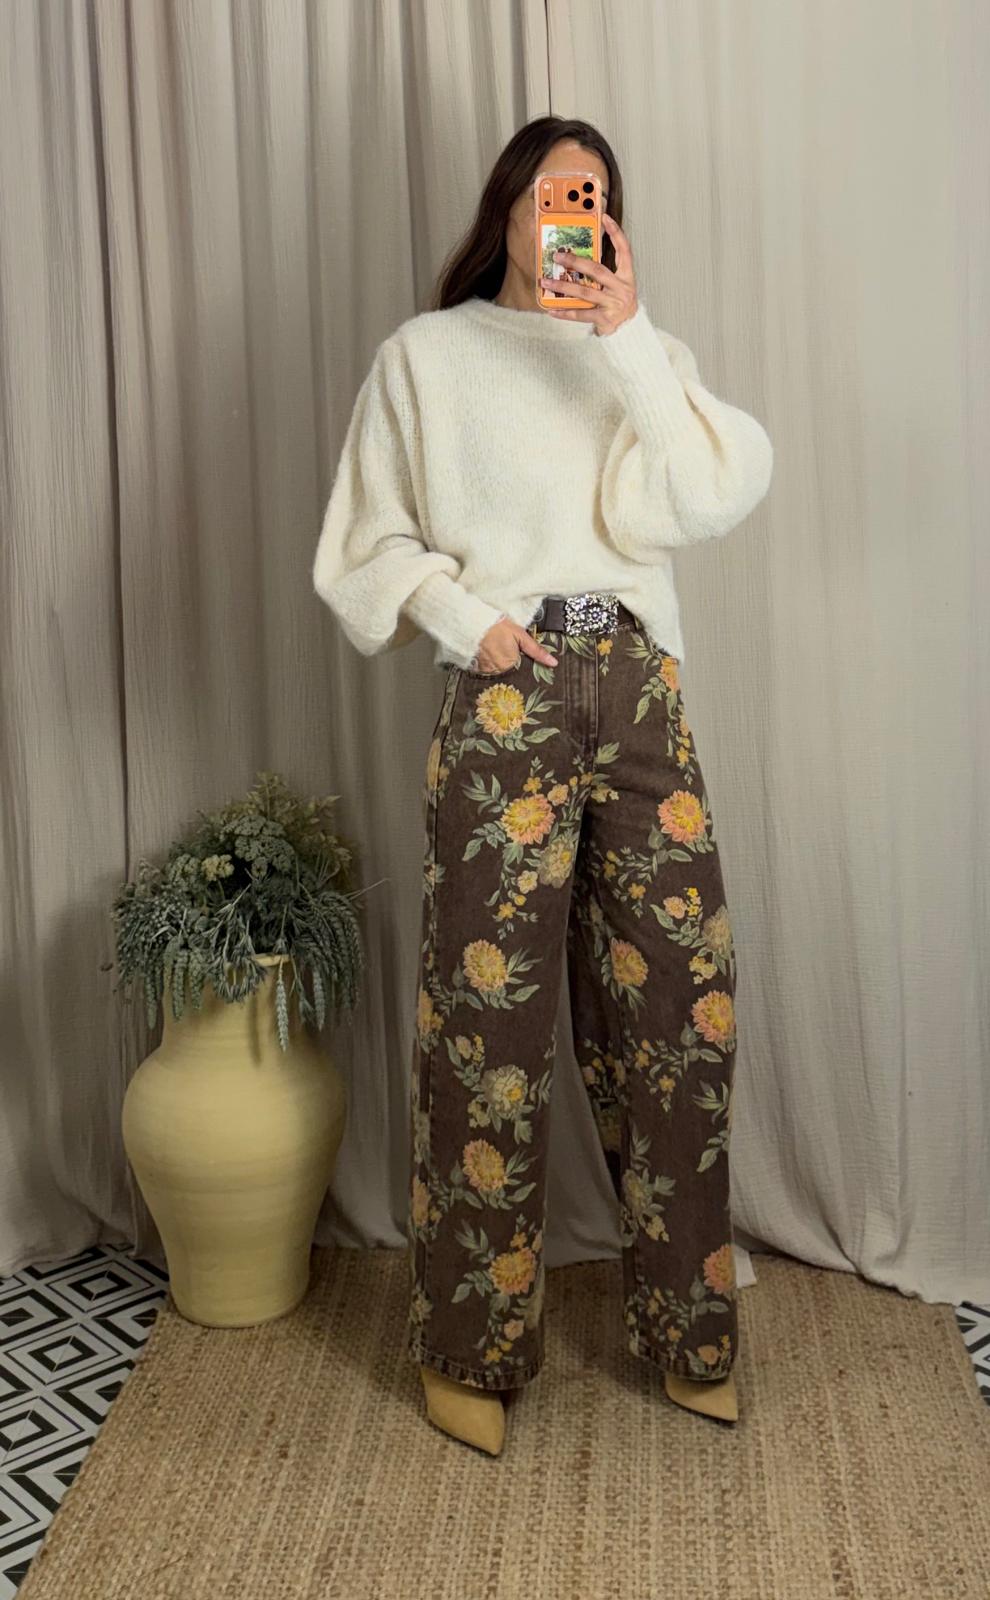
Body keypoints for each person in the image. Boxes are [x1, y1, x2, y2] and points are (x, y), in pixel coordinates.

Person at [312, 115, 773, 1456]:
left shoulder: (640, 355)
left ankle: (690, 1329)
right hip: (506, 692)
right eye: (557, 191)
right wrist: (469, 624)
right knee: (486, 1024)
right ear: (508, 204)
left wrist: (628, 337)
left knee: (680, 1014)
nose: (578, 213)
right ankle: (469, 1345)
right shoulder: (427, 356)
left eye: (599, 196)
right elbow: (364, 544)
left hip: (635, 690)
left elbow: (709, 495)